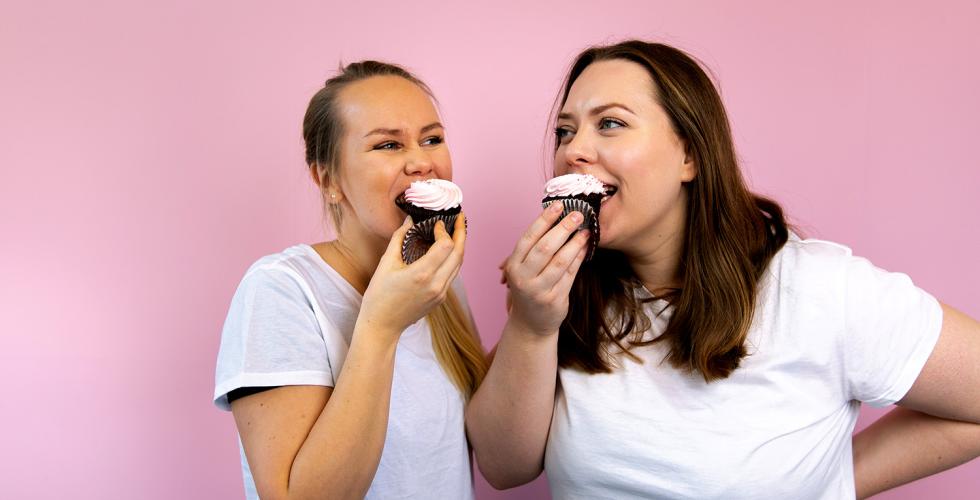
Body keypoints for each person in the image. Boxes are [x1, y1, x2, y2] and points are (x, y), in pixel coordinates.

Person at [465, 40, 980, 499]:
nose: (572, 151)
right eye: (565, 131)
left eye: (611, 123)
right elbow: (504, 468)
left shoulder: (820, 289)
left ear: (689, 155)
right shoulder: (561, 295)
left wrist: (831, 482)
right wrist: (532, 326)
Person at [213, 61, 486, 499]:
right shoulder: (281, 290)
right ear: (329, 180)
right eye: (388, 145)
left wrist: (531, 315)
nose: (422, 162)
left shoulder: (439, 283)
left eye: (432, 139)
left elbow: (495, 457)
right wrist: (381, 326)